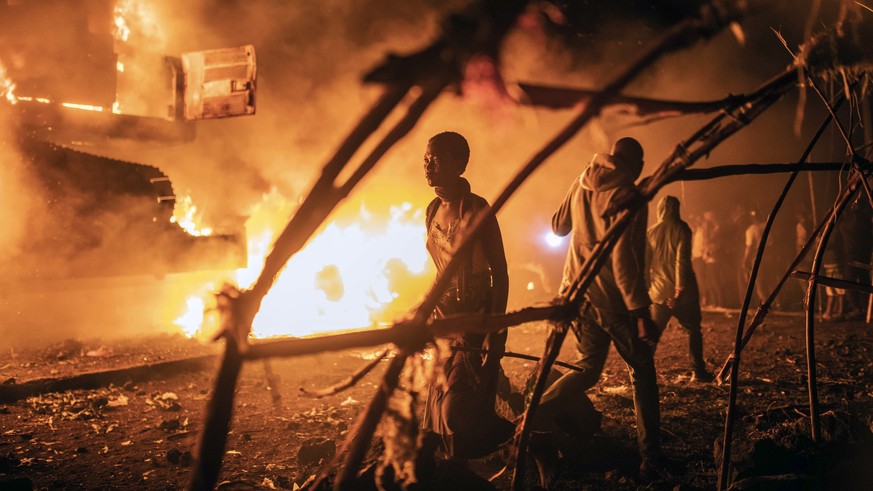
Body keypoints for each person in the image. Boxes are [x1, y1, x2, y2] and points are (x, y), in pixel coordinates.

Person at [548, 137, 662, 477]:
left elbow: (558, 227)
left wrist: (578, 198)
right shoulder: (630, 194)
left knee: (587, 369)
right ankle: (650, 459)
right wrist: (641, 313)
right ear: (638, 166)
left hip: (577, 294)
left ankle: (533, 416)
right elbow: (623, 258)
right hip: (612, 299)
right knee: (642, 372)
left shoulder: (582, 179)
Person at [421, 131, 514, 460]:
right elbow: (440, 271)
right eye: (426, 157)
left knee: (457, 414)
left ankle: (519, 438)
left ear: (459, 164)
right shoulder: (432, 209)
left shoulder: (477, 210)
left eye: (437, 158)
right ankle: (458, 469)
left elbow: (499, 274)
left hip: (475, 321)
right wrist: (422, 310)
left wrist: (494, 331)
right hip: (442, 324)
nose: (428, 164)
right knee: (435, 414)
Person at [647, 195, 714, 383]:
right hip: (683, 293)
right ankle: (698, 371)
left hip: (658, 291)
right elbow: (681, 260)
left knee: (652, 334)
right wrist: (679, 290)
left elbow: (646, 265)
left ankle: (642, 372)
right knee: (693, 330)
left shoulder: (651, 232)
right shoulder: (682, 228)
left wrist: (647, 290)